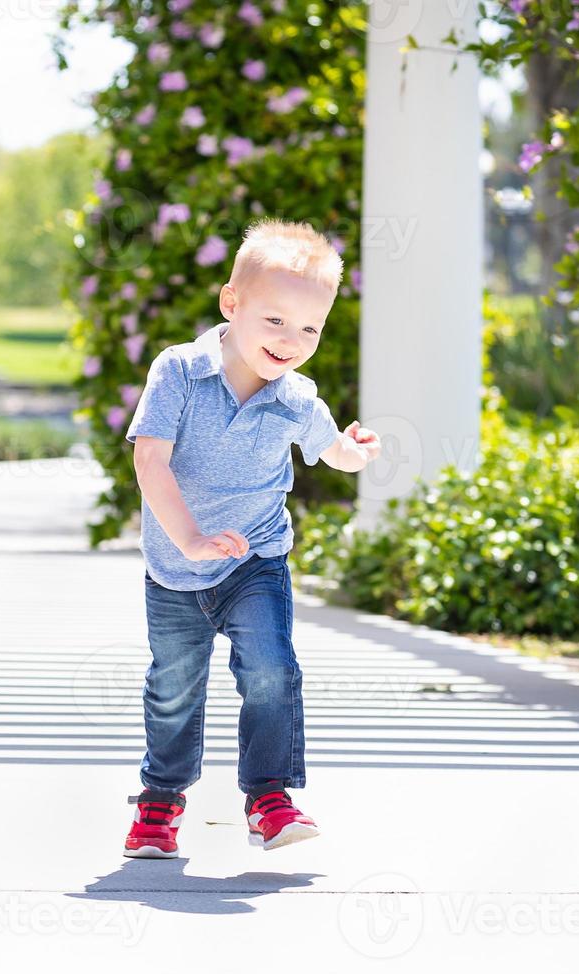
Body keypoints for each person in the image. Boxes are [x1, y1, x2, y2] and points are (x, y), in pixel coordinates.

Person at [121, 219, 381, 857]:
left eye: (310, 329)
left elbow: (332, 450)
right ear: (231, 304)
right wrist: (188, 539)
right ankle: (160, 800)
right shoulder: (180, 372)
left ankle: (269, 797)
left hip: (256, 560)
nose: (292, 341)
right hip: (175, 566)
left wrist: (355, 451)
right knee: (174, 685)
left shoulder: (296, 398)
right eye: (275, 322)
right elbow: (150, 460)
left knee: (270, 669)